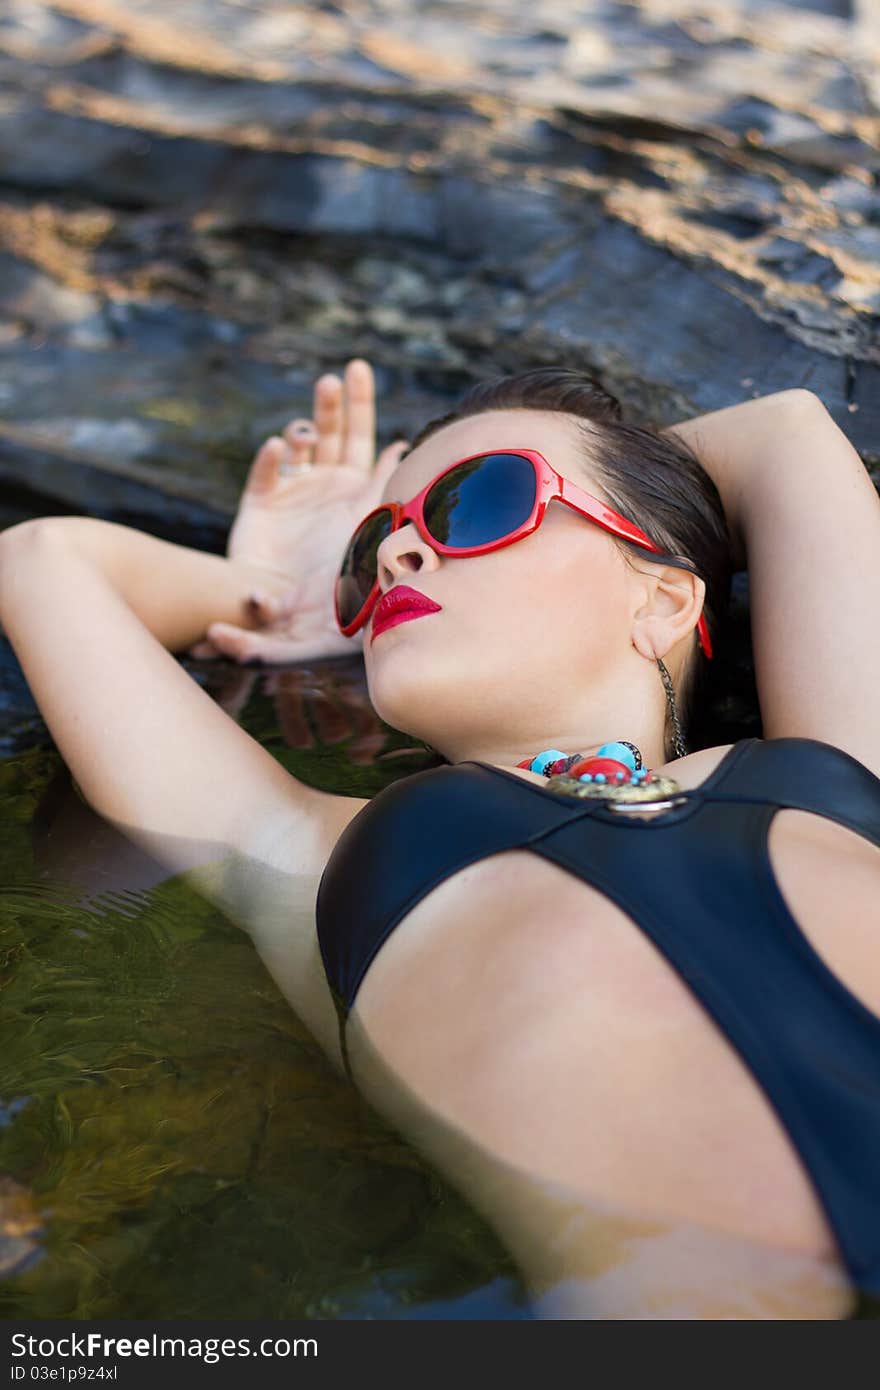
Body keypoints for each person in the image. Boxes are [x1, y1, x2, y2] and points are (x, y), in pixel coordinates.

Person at [1, 359, 878, 1319]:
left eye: (482, 500)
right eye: (372, 543)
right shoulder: (308, 856)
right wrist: (274, 590)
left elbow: (784, 431)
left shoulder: (843, 766)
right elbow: (43, 563)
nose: (393, 558)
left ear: (665, 602)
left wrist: (641, 480)